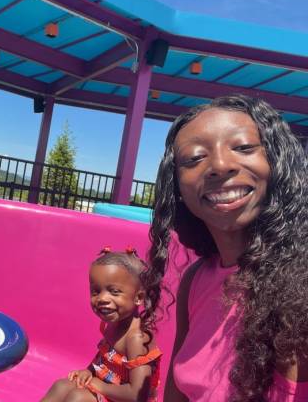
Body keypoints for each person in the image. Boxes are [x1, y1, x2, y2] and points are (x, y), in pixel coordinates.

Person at [142, 94, 308, 401]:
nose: (219, 165)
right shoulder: (195, 280)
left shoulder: (302, 283)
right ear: (177, 187)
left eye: (244, 148)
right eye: (194, 158)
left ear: (277, 162)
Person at [41, 247, 162, 402]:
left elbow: (137, 395)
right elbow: (106, 358)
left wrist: (97, 384)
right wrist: (89, 372)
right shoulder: (112, 323)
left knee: (77, 398)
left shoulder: (136, 339)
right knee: (61, 386)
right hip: (108, 390)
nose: (102, 298)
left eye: (114, 291)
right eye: (96, 291)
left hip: (124, 398)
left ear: (138, 297)